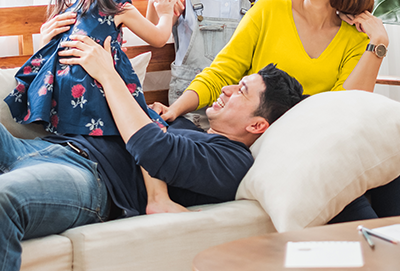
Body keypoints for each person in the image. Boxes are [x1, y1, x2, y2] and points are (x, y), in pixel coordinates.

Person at [0, 33, 308, 271]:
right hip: (45, 148)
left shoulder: (231, 161)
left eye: (241, 90)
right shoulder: (187, 124)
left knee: (4, 199)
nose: (226, 89)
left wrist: (108, 75)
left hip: (89, 179)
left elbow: (153, 149)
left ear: (257, 125)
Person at [155, 0, 389, 122]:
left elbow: (345, 108)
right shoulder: (268, 9)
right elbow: (221, 73)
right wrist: (175, 109)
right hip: (250, 137)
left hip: (306, 144)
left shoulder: (357, 38)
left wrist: (378, 44)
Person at [5, 0, 181, 136]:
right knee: (152, 127)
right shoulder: (119, 7)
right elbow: (157, 38)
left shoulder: (70, 11)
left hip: (65, 101)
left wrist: (151, 6)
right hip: (97, 93)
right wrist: (166, 13)